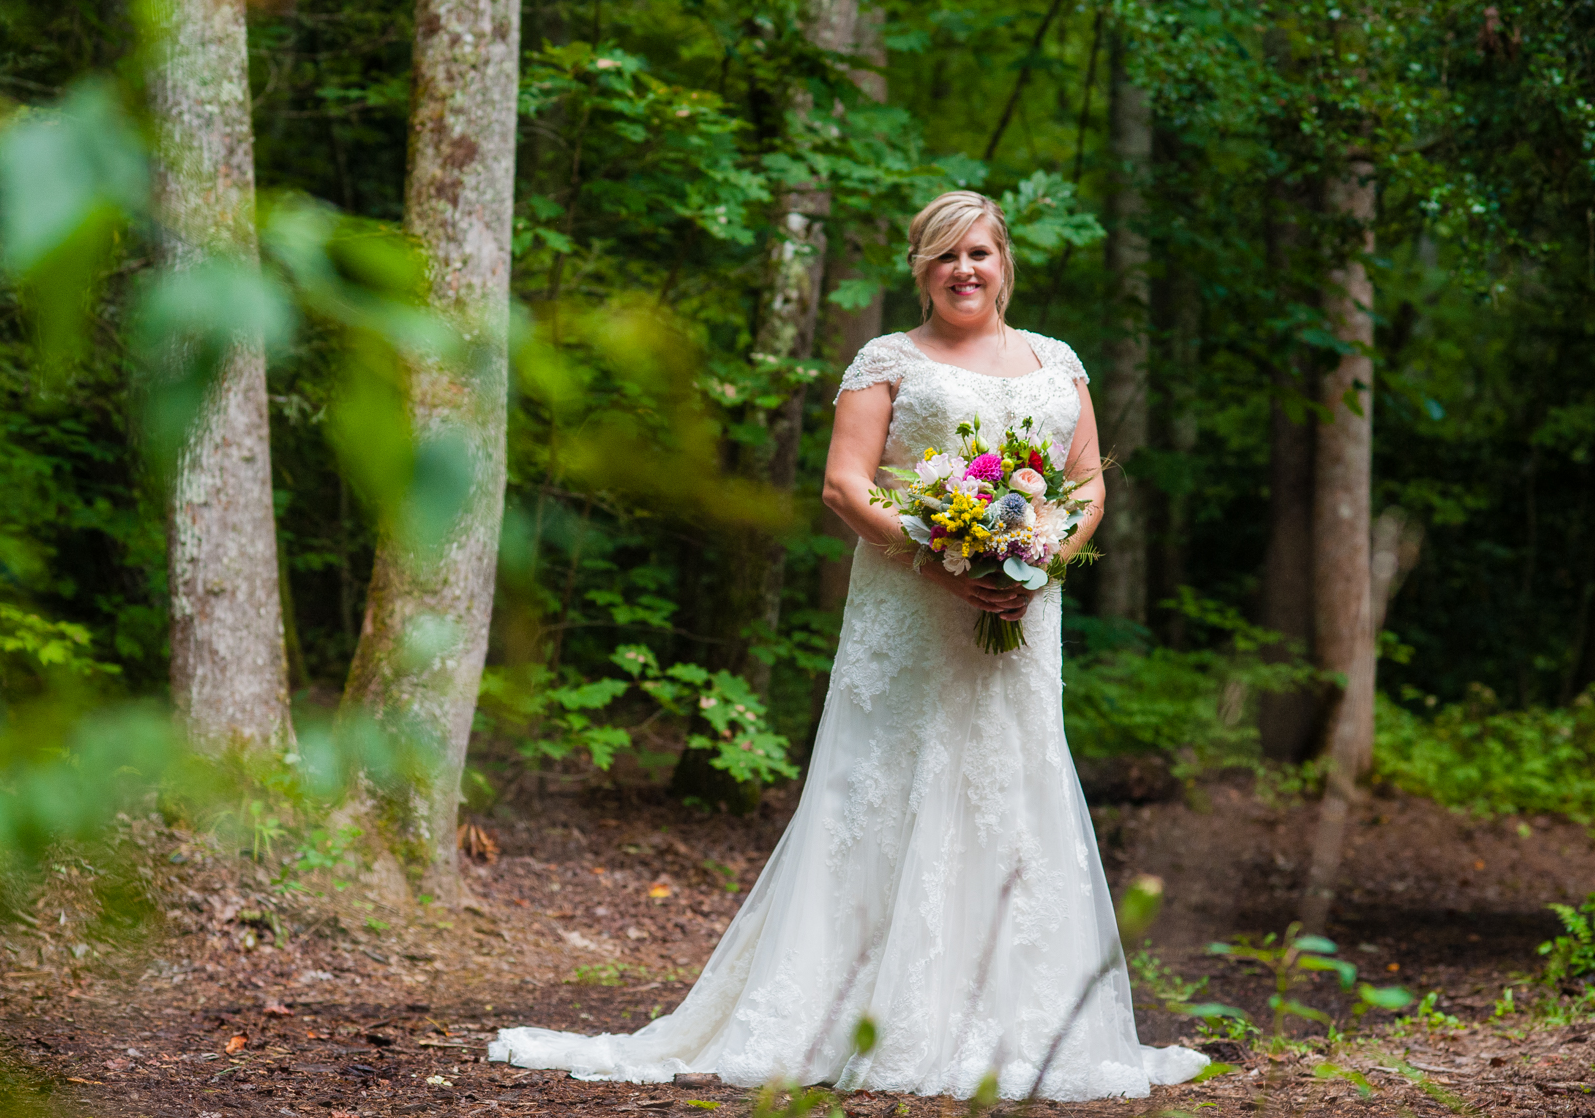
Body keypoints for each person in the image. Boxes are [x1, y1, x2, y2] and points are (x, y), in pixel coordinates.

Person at [490, 190, 1209, 1101]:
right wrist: (945, 566)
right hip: (911, 608)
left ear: (1004, 262)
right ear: (921, 267)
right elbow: (843, 487)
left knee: (1008, 782)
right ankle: (855, 1011)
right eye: (946, 255)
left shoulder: (1055, 361)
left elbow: (1087, 487)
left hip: (1024, 616)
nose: (964, 270)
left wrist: (1038, 565)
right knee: (892, 786)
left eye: (979, 253)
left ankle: (1015, 1020)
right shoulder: (888, 361)